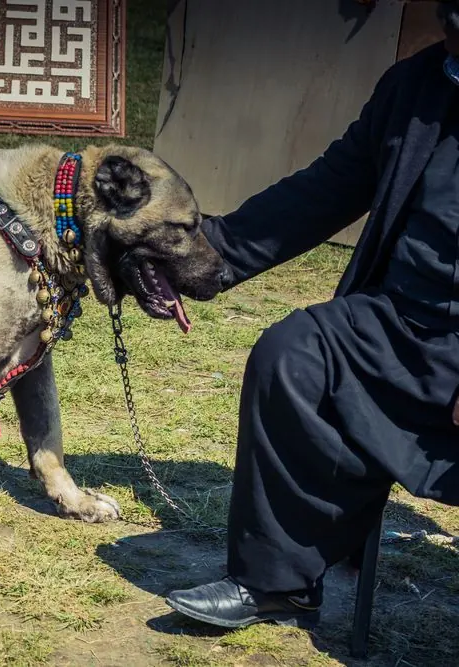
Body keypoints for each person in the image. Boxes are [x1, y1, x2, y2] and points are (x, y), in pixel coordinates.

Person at [165, 0, 459, 629]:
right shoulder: (417, 85)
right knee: (294, 353)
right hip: (399, 322)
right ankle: (279, 582)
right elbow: (327, 188)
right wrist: (201, 255)